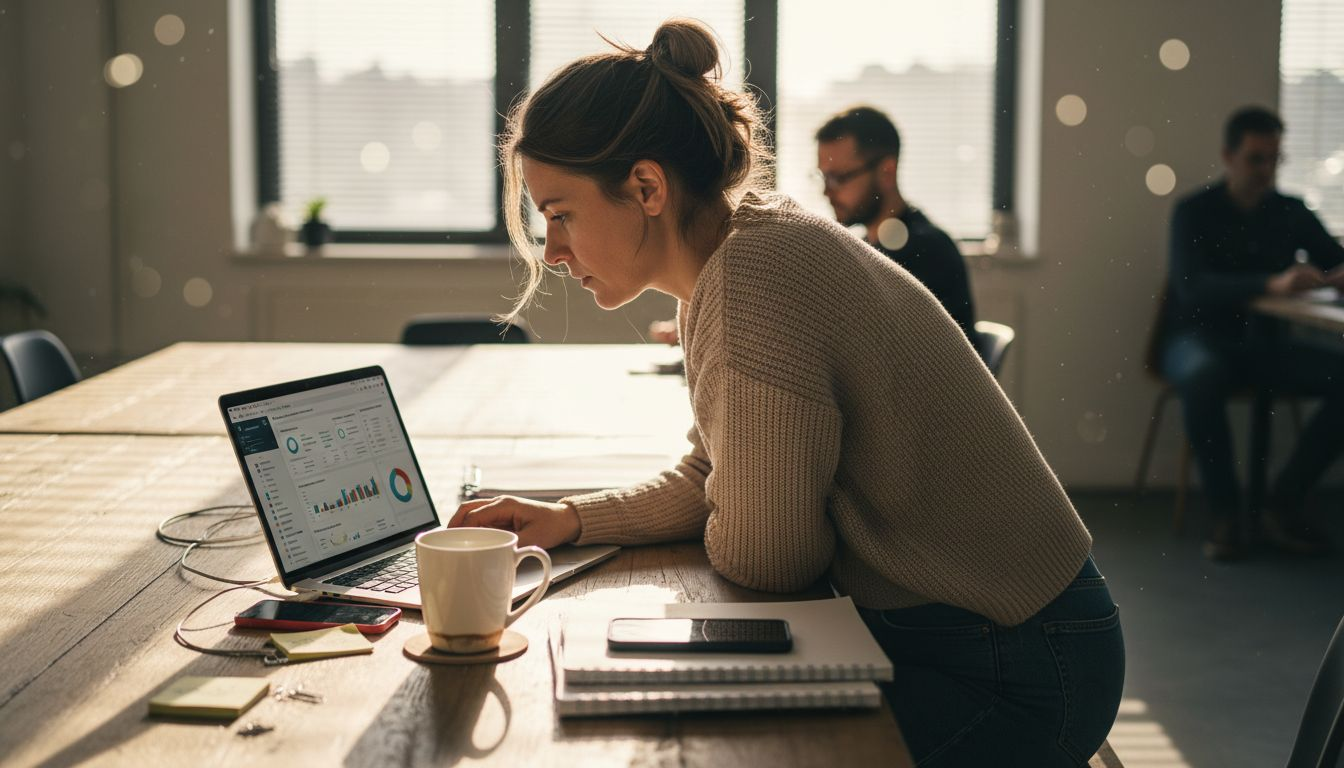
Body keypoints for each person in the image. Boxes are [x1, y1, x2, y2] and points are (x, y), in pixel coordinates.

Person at [450, 19, 1123, 766]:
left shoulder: (750, 281)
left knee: (706, 744)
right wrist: (573, 518)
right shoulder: (735, 257)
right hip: (1003, 631)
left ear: (645, 186)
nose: (555, 252)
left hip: (1019, 668)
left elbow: (771, 558)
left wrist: (738, 503)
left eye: (560, 214)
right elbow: (714, 478)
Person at [1162, 106, 1344, 561]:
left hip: (1263, 344)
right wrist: (1271, 284)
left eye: (1275, 159)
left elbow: (1333, 258)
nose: (1267, 170)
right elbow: (1191, 288)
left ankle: (1281, 503)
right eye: (1256, 159)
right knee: (1203, 377)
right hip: (1196, 338)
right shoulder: (1193, 211)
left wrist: (1335, 275)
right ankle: (1227, 514)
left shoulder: (1291, 211)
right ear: (1229, 155)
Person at [816, 106, 977, 342]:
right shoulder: (865, 246)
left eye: (839, 178)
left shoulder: (928, 251)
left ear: (886, 171)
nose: (826, 191)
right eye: (823, 177)